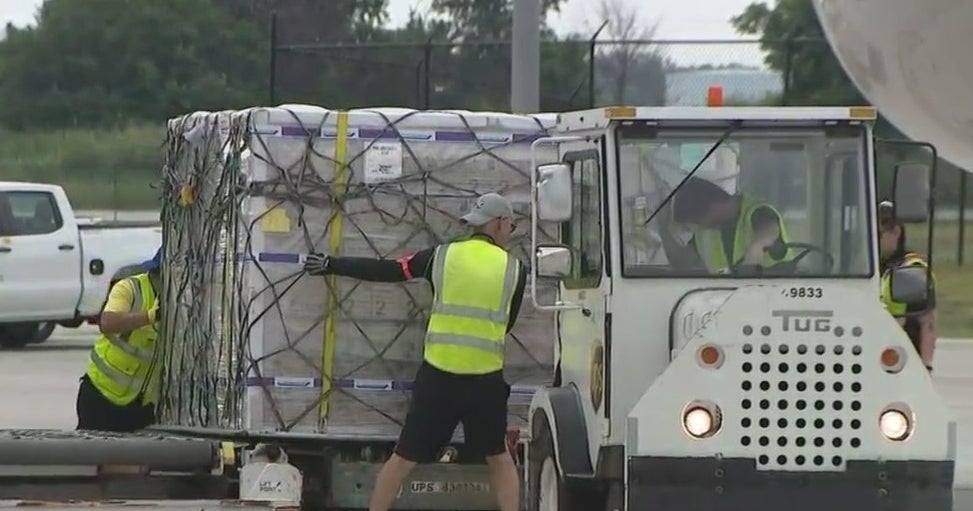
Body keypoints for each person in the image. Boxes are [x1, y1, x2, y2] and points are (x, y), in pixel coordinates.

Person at [303, 192, 526, 511]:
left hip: (438, 379)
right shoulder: (515, 270)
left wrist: (331, 264)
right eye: (512, 225)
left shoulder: (440, 256)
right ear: (501, 223)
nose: (510, 231)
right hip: (485, 380)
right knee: (499, 457)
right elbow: (507, 324)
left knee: (403, 457)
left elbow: (389, 270)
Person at [76, 247, 163, 432]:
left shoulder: (183, 300)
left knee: (133, 458)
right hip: (102, 395)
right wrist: (149, 316)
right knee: (96, 455)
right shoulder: (131, 288)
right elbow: (107, 322)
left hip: (142, 403)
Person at [664, 176, 793, 273]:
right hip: (727, 299)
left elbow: (770, 230)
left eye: (697, 221)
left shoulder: (757, 212)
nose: (699, 227)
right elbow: (683, 261)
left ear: (713, 207)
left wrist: (757, 247)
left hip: (774, 294)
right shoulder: (704, 234)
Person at [877, 200, 937, 372]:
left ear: (895, 232)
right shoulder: (869, 267)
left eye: (878, 234)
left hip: (903, 364)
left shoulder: (913, 269)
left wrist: (925, 368)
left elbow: (928, 323)